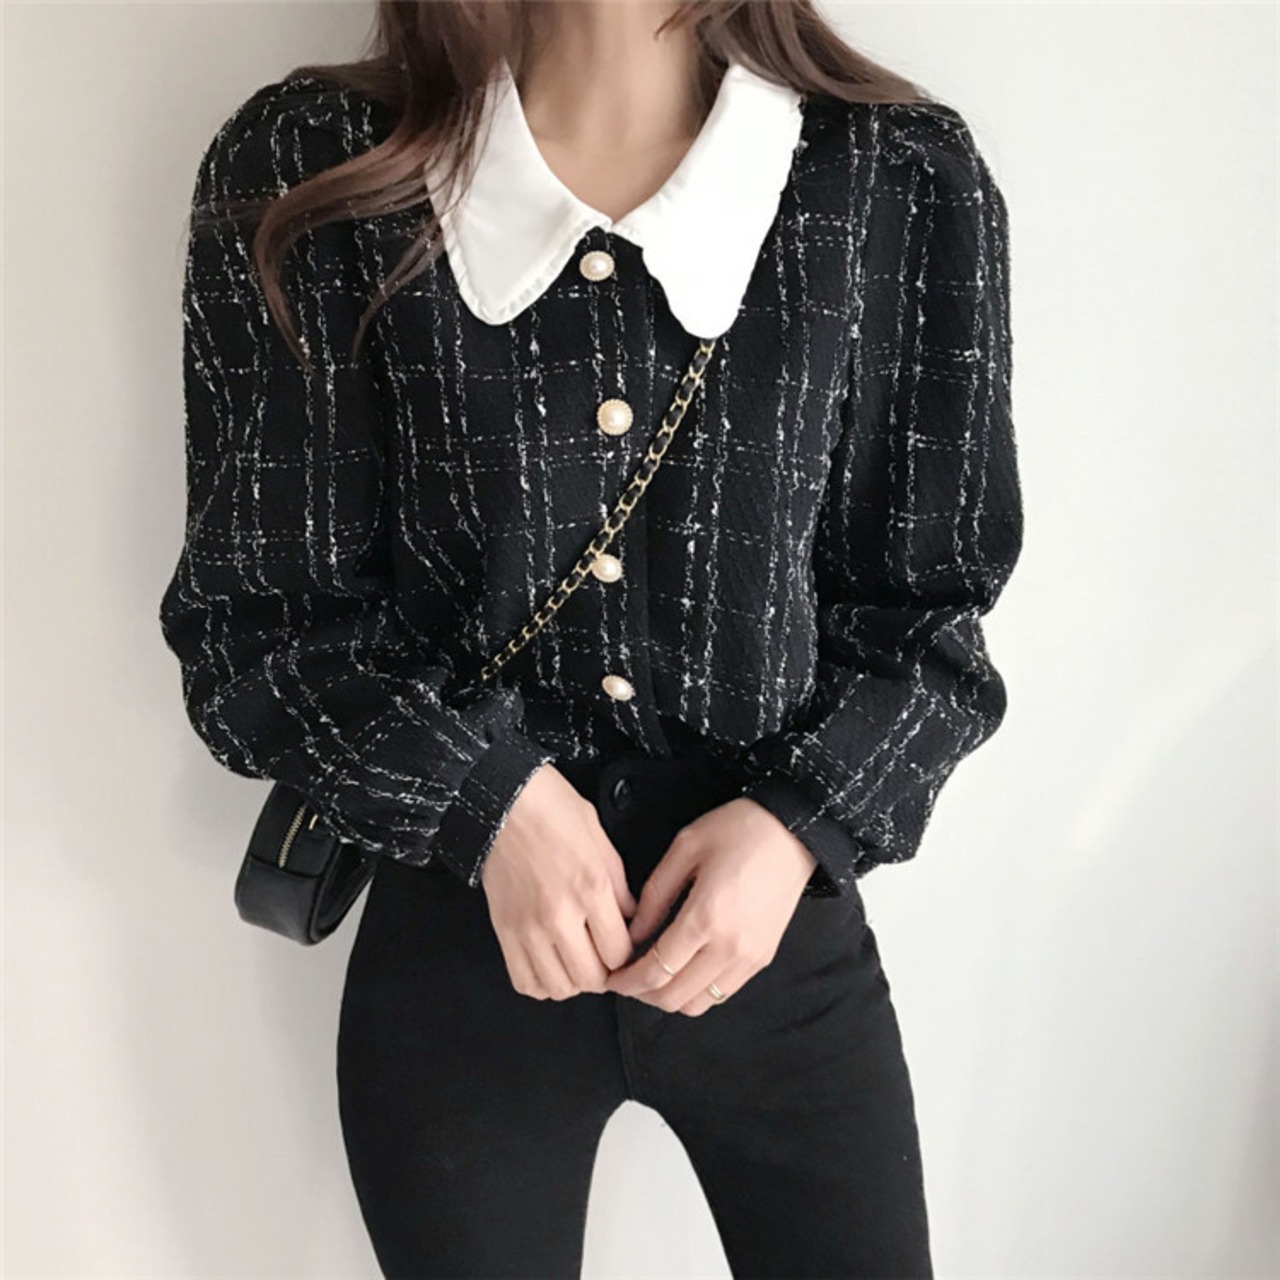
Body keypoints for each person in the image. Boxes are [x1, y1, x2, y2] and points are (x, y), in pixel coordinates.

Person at [158, 1, 1023, 1275]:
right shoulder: (309, 165)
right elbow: (260, 621)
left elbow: (930, 610)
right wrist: (489, 804)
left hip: (771, 930)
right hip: (457, 942)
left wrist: (799, 824)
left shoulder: (896, 179)